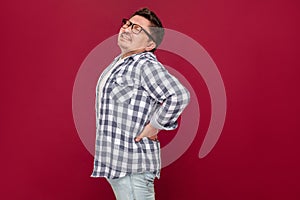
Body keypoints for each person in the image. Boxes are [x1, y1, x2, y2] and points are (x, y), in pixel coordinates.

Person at [91, 8, 190, 200]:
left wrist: (155, 126)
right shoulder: (119, 63)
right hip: (119, 167)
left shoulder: (144, 64)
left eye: (137, 28)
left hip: (133, 167)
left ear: (150, 44)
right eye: (127, 23)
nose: (126, 29)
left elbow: (179, 95)